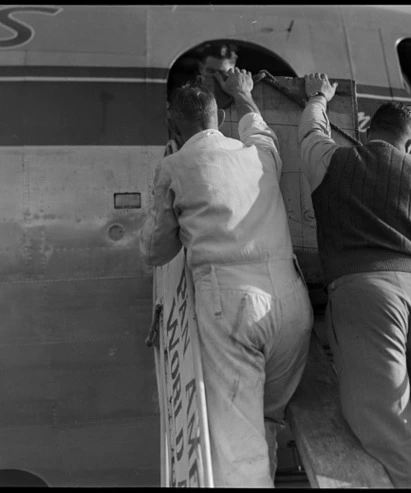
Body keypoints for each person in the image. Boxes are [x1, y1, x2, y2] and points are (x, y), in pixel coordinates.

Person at [140, 69, 313, 487]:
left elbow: (154, 251)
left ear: (171, 126)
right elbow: (262, 130)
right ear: (218, 118)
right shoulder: (258, 154)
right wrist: (244, 93)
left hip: (233, 307)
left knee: (238, 451)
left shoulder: (174, 166)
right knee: (266, 421)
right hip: (292, 303)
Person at [298, 73, 411, 488]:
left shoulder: (335, 161)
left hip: (367, 295)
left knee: (383, 430)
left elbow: (310, 132)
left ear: (368, 131)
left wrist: (319, 97)